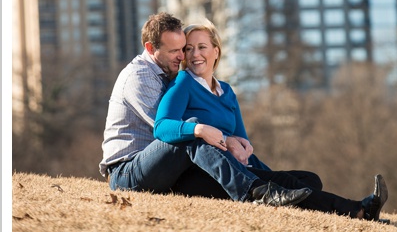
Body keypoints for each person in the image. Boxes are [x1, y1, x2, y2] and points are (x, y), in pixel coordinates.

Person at [153, 20, 387, 221]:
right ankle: (358, 210)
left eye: (202, 47)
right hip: (205, 173)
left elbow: (242, 139)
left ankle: (293, 201)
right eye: (189, 49)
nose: (195, 55)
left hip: (238, 168)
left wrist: (249, 153)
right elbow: (162, 126)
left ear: (216, 51)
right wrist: (199, 129)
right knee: (285, 182)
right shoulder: (183, 82)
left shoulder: (226, 91)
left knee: (308, 180)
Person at [100, 12, 314, 207]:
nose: (183, 57)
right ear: (150, 48)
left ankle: (275, 189)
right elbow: (167, 128)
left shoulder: (169, 75)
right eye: (175, 51)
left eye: (182, 49)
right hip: (126, 173)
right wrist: (221, 137)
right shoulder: (140, 77)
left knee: (305, 180)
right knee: (191, 130)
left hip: (162, 166)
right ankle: (253, 192)